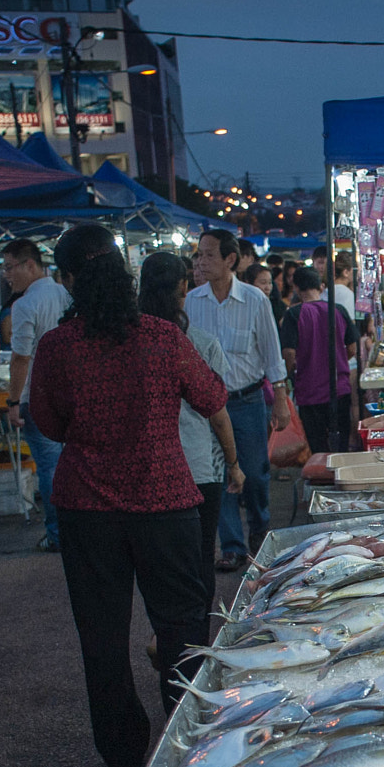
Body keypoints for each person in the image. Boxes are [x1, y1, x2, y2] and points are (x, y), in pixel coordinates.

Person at [27, 225, 231, 767]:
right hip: (165, 501)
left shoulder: (57, 347)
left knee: (103, 636)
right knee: (182, 628)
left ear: (68, 280)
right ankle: (192, 739)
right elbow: (211, 395)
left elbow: (46, 421)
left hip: (87, 509)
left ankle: (121, 751)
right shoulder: (163, 337)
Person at [139, 250, 245, 619]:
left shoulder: (124, 344)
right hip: (198, 469)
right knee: (199, 558)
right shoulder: (197, 342)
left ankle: (163, 633)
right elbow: (217, 414)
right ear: (184, 290)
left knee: (155, 564)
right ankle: (195, 638)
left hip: (145, 470)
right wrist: (233, 463)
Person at [186, 227, 288, 570]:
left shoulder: (255, 300)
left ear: (230, 259)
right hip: (205, 406)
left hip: (246, 402)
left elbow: (272, 352)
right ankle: (232, 546)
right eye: (199, 254)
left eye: (209, 254)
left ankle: (260, 527)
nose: (202, 261)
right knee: (217, 474)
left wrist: (280, 398)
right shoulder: (192, 302)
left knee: (255, 473)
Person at [2, 237, 73, 551]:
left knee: (49, 466)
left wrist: (13, 401)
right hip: (70, 392)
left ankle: (58, 533)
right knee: (68, 463)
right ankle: (75, 528)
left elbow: (20, 358)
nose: (7, 275)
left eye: (9, 267)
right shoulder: (65, 293)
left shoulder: (25, 305)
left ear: (29, 264)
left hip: (37, 396)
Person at [279, 266, 358, 455]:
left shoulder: (293, 315)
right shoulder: (338, 310)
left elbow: (289, 354)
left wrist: (289, 375)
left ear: (296, 287)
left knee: (318, 447)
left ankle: (322, 481)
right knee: (341, 447)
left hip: (309, 391)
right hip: (339, 388)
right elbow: (352, 348)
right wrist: (336, 360)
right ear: (321, 286)